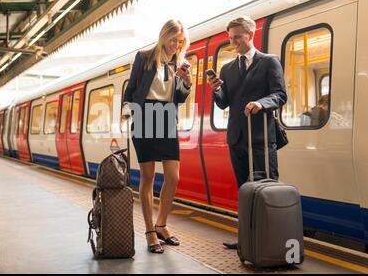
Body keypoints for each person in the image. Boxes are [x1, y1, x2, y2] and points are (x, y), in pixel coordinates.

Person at [208, 16, 287, 249]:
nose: (234, 43)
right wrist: (216, 91)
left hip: (262, 138)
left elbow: (280, 95)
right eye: (231, 39)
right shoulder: (228, 68)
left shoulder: (269, 62)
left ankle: (270, 240)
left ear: (251, 35)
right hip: (237, 137)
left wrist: (261, 103)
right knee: (244, 189)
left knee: (266, 187)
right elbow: (224, 103)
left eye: (238, 37)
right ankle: (246, 239)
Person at [122, 20, 192, 254]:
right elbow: (131, 88)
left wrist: (187, 83)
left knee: (173, 176)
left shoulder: (180, 63)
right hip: (144, 116)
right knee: (148, 177)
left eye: (180, 41)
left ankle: (162, 224)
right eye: (173, 40)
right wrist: (126, 109)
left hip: (166, 118)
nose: (176, 45)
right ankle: (150, 231)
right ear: (164, 36)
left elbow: (179, 99)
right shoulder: (144, 57)